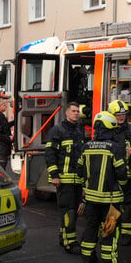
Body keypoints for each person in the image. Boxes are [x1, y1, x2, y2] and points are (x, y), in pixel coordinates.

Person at [78, 111, 128, 263]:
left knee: (91, 227)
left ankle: (87, 257)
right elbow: (121, 173)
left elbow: (79, 171)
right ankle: (109, 260)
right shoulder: (115, 147)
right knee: (109, 229)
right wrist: (123, 185)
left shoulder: (86, 147)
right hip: (110, 199)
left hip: (91, 198)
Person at [44, 102, 85, 253]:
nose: (76, 113)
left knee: (71, 211)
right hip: (63, 180)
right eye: (73, 111)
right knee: (70, 212)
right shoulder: (57, 130)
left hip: (77, 180)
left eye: (78, 111)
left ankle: (64, 237)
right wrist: (54, 175)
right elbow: (50, 154)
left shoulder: (79, 131)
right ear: (66, 113)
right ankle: (71, 243)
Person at [108, 100, 131, 246]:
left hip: (128, 175)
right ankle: (110, 231)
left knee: (128, 205)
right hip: (112, 175)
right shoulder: (108, 130)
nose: (121, 117)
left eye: (123, 114)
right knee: (112, 204)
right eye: (118, 114)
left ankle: (127, 235)